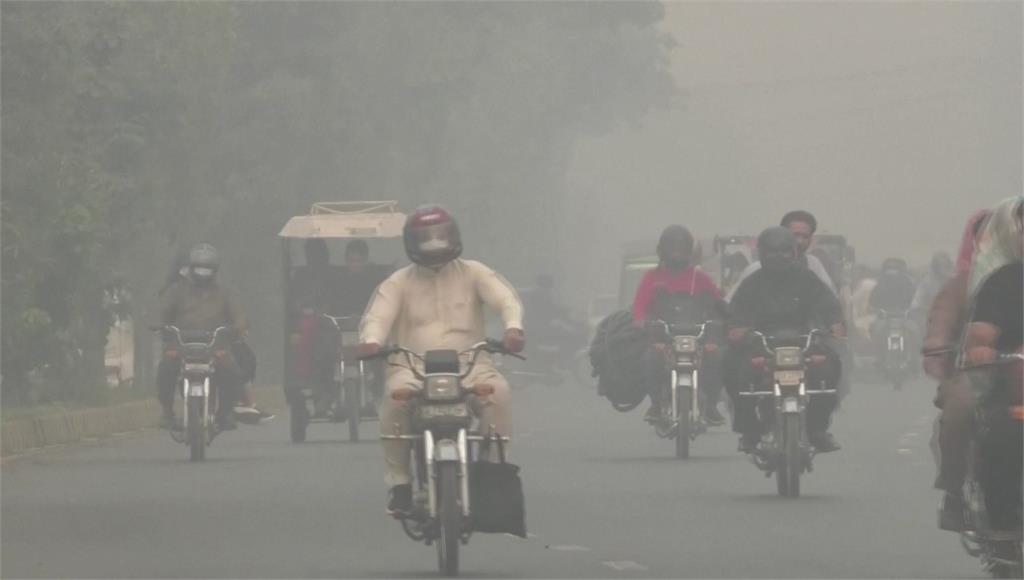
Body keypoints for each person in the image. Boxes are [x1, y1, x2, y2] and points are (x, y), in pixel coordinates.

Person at [358, 205, 525, 515]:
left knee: (498, 395)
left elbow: (506, 299)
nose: (434, 245)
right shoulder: (399, 282)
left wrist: (513, 329)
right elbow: (378, 317)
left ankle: (489, 476)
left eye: (440, 236)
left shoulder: (475, 272)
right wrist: (371, 342)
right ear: (412, 242)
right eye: (425, 238)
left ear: (453, 237)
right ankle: (400, 485)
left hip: (472, 365)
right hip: (411, 367)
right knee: (394, 402)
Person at [930, 198, 1021, 531]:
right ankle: (961, 494)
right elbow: (979, 327)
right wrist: (980, 348)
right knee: (970, 414)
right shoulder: (1004, 279)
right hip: (1002, 378)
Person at [724, 227, 846, 453]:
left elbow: (829, 307)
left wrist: (835, 325)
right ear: (762, 254)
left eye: (784, 252)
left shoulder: (808, 279)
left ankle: (817, 429)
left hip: (804, 342)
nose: (778, 257)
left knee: (829, 369)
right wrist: (738, 330)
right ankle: (749, 430)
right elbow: (736, 313)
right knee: (733, 369)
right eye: (772, 252)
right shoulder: (752, 282)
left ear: (794, 253)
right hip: (760, 344)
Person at [632, 225, 727, 425]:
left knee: (717, 358)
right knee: (650, 360)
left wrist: (718, 330)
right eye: (672, 247)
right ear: (662, 250)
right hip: (662, 337)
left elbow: (718, 305)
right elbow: (640, 307)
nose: (677, 253)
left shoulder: (699, 277)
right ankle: (656, 404)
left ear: (689, 251)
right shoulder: (652, 277)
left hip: (697, 337)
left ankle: (710, 406)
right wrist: (642, 323)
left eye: (681, 248)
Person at [157, 243, 250, 431]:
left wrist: (238, 327)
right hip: (181, 342)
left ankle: (224, 413)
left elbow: (238, 314)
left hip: (215, 344)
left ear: (215, 270)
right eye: (199, 268)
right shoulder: (176, 290)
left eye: (207, 269)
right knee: (165, 369)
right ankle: (167, 411)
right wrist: (160, 325)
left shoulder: (225, 291)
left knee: (232, 372)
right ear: (191, 268)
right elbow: (162, 311)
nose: (202, 273)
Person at [725, 210, 836, 302]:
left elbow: (831, 301)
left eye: (805, 237)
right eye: (795, 235)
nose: (800, 241)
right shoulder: (755, 269)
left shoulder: (814, 265)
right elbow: (730, 304)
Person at [911, 252, 954, 325]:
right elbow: (918, 299)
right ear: (935, 267)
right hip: (930, 316)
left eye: (946, 266)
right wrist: (918, 308)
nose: (944, 269)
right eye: (941, 266)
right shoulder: (927, 282)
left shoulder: (954, 280)